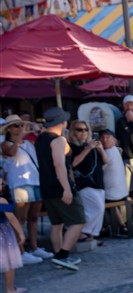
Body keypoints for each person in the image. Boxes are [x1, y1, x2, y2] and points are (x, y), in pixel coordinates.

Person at [35, 107, 85, 271]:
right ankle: (62, 255)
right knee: (78, 221)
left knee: (56, 223)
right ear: (62, 122)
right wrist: (67, 188)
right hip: (60, 185)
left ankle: (59, 257)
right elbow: (59, 165)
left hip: (46, 186)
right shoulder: (58, 140)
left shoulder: (40, 139)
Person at [1, 115, 50, 265]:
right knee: (20, 218)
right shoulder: (5, 144)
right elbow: (11, 153)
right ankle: (20, 251)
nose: (20, 128)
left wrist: (36, 131)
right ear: (9, 128)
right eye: (16, 126)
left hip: (35, 180)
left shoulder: (29, 143)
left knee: (33, 217)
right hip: (20, 183)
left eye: (21, 125)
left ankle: (34, 247)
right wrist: (18, 138)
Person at [68, 120, 108, 241]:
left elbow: (106, 161)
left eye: (86, 129)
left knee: (96, 209)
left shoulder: (91, 145)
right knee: (97, 208)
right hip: (83, 183)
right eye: (79, 129)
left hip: (98, 182)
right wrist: (87, 149)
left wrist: (100, 149)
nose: (83, 132)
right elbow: (73, 163)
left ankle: (90, 235)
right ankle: (82, 232)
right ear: (73, 132)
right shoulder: (71, 147)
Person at [0, 177, 27, 293]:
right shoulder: (2, 201)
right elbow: (11, 218)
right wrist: (20, 232)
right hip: (4, 234)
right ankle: (10, 289)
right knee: (9, 262)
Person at [99, 130, 129, 233]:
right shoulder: (116, 150)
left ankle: (113, 226)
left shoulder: (108, 152)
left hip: (113, 192)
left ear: (114, 140)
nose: (105, 140)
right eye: (102, 138)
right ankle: (121, 225)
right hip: (122, 190)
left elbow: (102, 167)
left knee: (99, 199)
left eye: (108, 137)